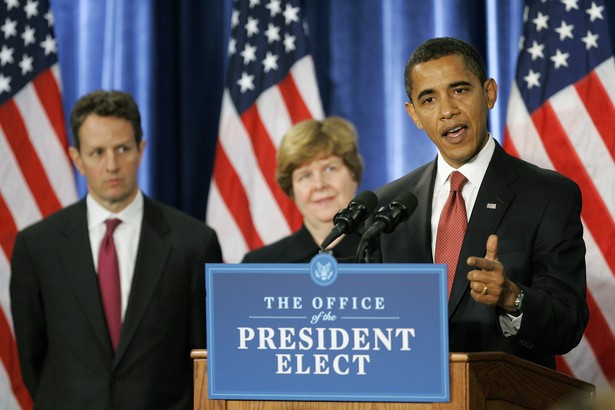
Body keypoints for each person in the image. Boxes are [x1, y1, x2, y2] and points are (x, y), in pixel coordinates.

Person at [372, 37, 588, 369]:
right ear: (413, 114)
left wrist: (512, 297)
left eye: (459, 90)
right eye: (429, 99)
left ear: (488, 92)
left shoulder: (547, 195)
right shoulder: (389, 206)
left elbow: (568, 323)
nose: (447, 110)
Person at [10, 90, 222, 409]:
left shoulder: (193, 243)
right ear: (77, 159)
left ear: (141, 149)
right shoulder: (37, 246)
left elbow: (205, 356)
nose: (112, 165)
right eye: (97, 152)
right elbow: (31, 357)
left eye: (122, 148)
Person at [242, 116, 364, 263]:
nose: (319, 184)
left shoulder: (387, 253)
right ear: (291, 189)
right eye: (305, 176)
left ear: (353, 173)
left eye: (330, 168)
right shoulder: (259, 265)